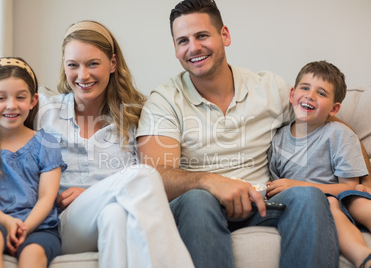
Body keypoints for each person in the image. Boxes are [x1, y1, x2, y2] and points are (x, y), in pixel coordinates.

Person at [136, 0, 341, 267]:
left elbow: (328, 122)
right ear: (175, 49)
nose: (193, 47)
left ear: (225, 36)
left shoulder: (269, 88)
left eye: (201, 36)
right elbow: (154, 175)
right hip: (198, 207)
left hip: (262, 201)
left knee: (308, 196)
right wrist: (210, 182)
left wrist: (365, 182)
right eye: (182, 40)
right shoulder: (164, 100)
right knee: (199, 201)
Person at [36, 20, 194, 268]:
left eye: (93, 64)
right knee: (143, 175)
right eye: (73, 65)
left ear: (112, 63)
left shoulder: (134, 117)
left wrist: (92, 195)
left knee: (115, 215)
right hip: (62, 224)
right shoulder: (44, 111)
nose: (83, 75)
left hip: (111, 218)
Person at [267, 60, 371, 268]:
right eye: (304, 88)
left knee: (357, 202)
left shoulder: (339, 134)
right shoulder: (278, 139)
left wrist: (299, 185)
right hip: (307, 207)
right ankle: (364, 258)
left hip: (344, 198)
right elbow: (278, 187)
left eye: (321, 93)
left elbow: (350, 186)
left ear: (334, 108)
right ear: (292, 95)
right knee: (329, 204)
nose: (310, 95)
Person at [0, 57, 66, 267]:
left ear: (33, 101)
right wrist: (7, 222)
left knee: (32, 255)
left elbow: (47, 197)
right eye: (1, 98)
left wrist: (25, 227)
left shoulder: (46, 143)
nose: (11, 105)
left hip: (40, 227)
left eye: (20, 97)